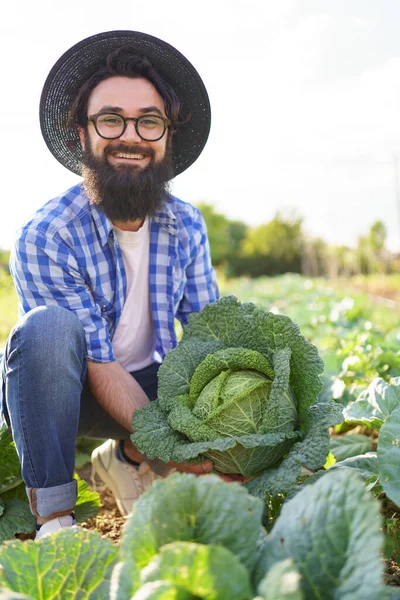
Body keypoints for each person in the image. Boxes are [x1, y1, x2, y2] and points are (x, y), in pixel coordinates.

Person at [0, 30, 242, 540]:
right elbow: (100, 364)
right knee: (46, 330)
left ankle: (126, 459)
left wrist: (228, 434)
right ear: (81, 136)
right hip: (72, 392)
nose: (130, 136)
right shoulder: (48, 235)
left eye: (149, 121)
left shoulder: (185, 224)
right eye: (110, 118)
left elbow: (208, 331)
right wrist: (174, 447)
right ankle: (55, 520)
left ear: (166, 139)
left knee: (223, 356)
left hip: (151, 382)